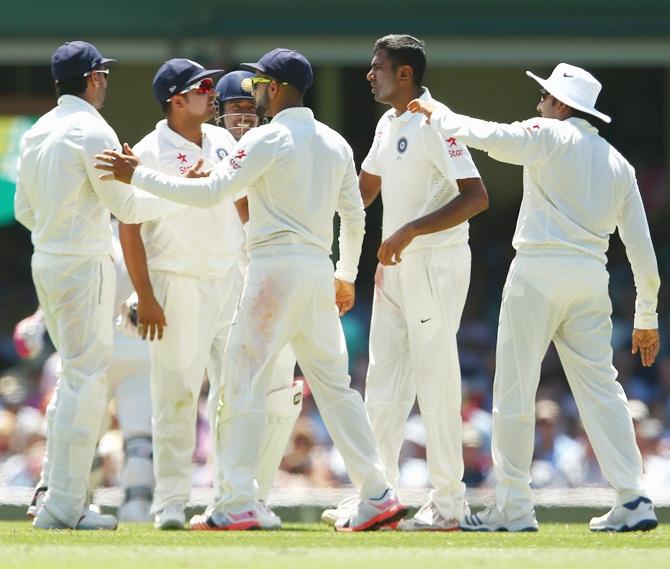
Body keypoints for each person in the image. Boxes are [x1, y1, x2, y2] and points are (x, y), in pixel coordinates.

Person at [95, 47, 406, 532]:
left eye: (259, 84)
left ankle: (237, 499)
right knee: (336, 387)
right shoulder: (335, 142)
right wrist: (344, 274)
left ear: (276, 89)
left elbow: (211, 193)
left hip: (272, 270)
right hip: (316, 271)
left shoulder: (265, 139)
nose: (251, 92)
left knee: (239, 381)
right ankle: (379, 493)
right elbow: (353, 215)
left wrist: (138, 175)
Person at [410, 62, 661, 532]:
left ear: (561, 105)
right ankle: (633, 498)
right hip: (591, 277)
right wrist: (646, 315)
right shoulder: (618, 163)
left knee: (514, 389)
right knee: (603, 390)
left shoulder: (549, 132)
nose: (539, 104)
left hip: (538, 270)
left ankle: (514, 507)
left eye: (545, 97)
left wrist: (435, 111)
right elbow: (642, 251)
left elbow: (489, 136)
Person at [323, 34, 488, 531]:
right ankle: (379, 496)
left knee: (436, 380)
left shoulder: (436, 121)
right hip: (394, 269)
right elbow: (363, 191)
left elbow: (476, 196)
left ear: (404, 74)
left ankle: (450, 503)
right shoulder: (388, 122)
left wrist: (411, 230)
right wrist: (308, 194)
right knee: (383, 381)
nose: (369, 75)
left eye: (378, 67)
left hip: (434, 264)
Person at [14, 40, 181, 530]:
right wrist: (179, 195)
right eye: (102, 75)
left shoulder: (37, 131)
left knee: (74, 378)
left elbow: (24, 211)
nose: (105, 82)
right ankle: (65, 506)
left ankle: (54, 496)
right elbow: (127, 208)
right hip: (82, 261)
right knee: (84, 381)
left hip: (47, 259)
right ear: (93, 79)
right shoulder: (92, 128)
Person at [16, 220, 155, 523]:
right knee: (116, 431)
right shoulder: (104, 230)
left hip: (121, 348)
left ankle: (115, 503)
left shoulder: (92, 231)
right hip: (115, 349)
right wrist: (38, 321)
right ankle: (85, 501)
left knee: (123, 432)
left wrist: (38, 321)